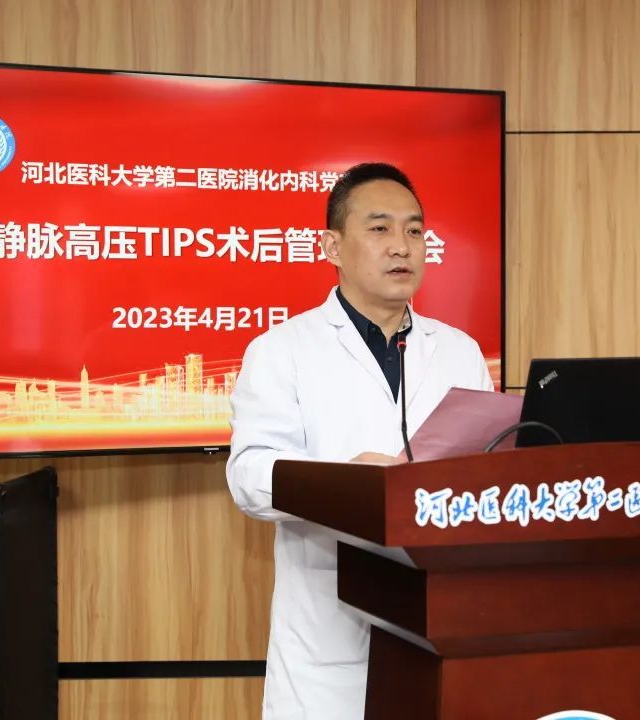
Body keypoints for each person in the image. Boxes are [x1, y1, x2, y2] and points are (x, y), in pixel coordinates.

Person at [226, 162, 493, 719]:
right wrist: (345, 482)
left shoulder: (460, 351)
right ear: (333, 246)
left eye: (414, 230)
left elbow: (486, 470)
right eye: (379, 228)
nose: (402, 246)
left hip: (442, 621)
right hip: (330, 634)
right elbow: (248, 475)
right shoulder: (282, 350)